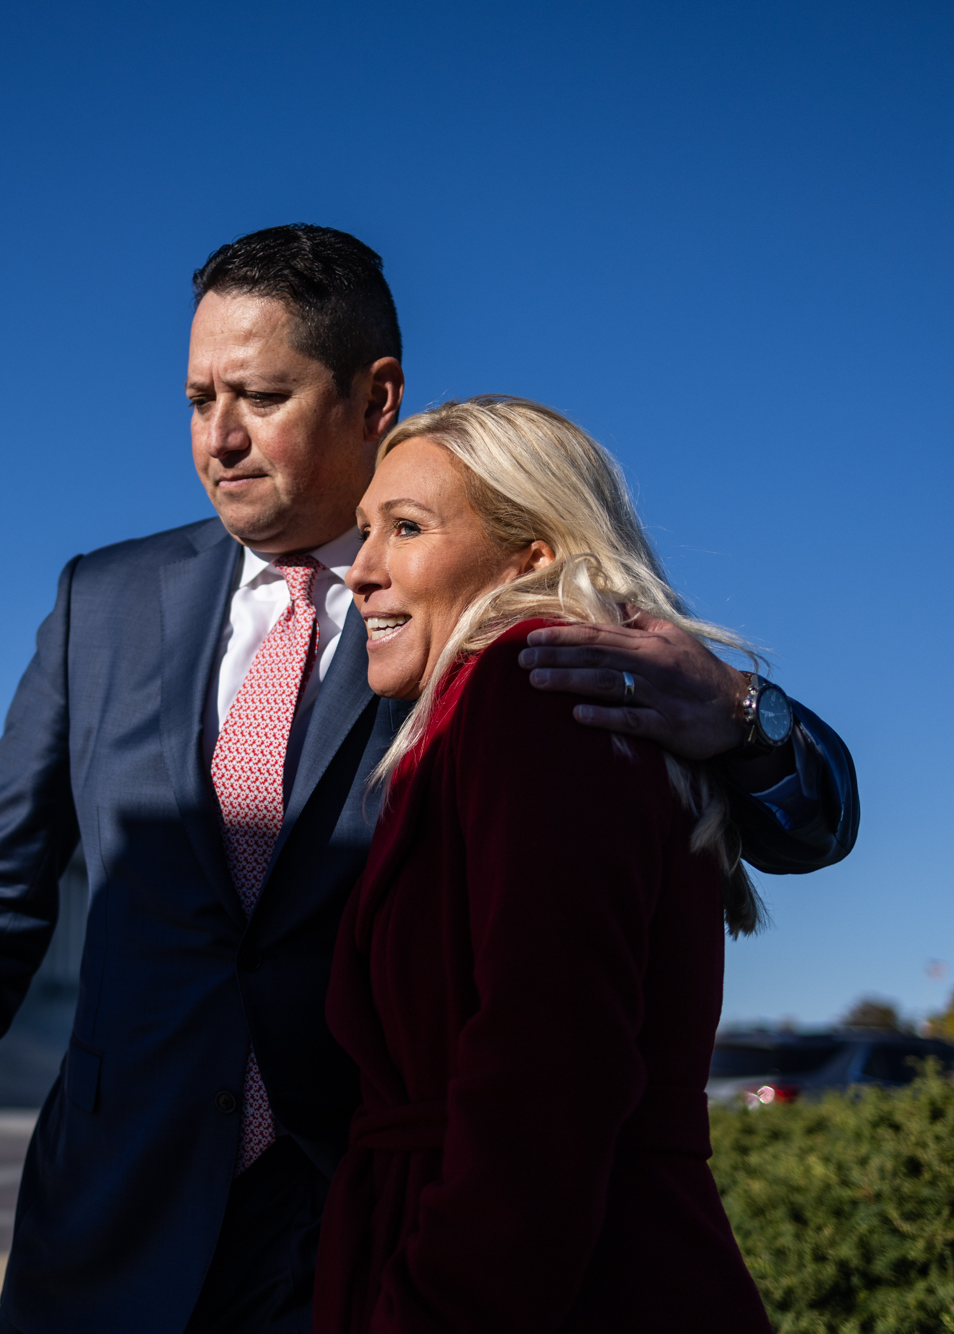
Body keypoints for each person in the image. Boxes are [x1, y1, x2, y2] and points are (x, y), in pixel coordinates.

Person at [0, 225, 854, 1334]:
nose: (219, 437)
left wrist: (739, 713)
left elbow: (797, 830)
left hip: (362, 1218)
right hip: (108, 1206)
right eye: (197, 398)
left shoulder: (476, 612)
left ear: (371, 394)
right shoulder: (100, 600)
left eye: (258, 395)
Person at [316, 398, 773, 1333]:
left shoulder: (533, 689)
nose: (357, 574)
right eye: (366, 533)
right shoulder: (498, 706)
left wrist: (433, 1306)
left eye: (405, 529)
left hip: (565, 1280)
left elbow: (546, 1071)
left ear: (533, 555)